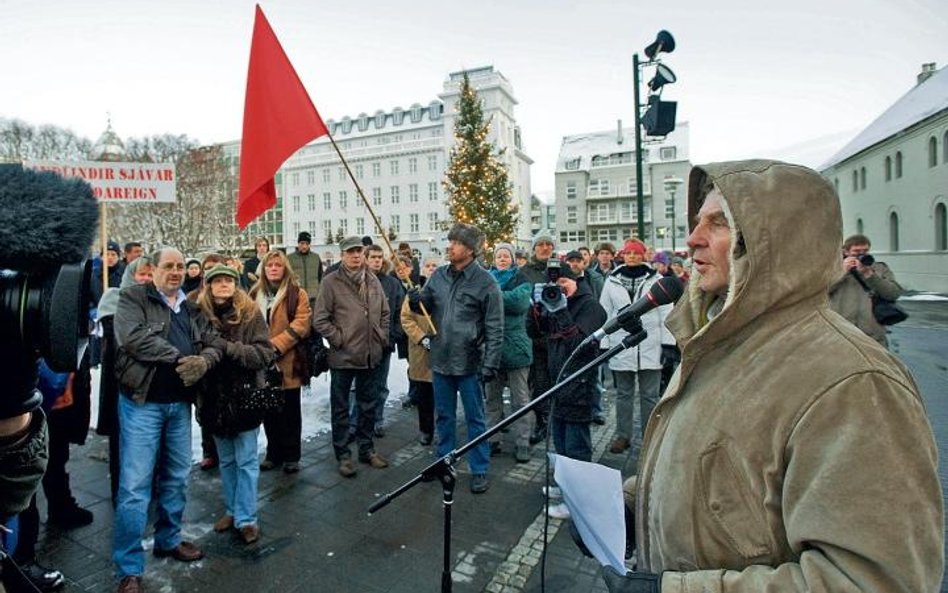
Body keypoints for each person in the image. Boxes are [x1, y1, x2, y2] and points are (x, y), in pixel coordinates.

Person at [599, 160, 942, 593]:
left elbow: (873, 581)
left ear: (775, 242)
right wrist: (632, 506)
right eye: (697, 220)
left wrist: (678, 590)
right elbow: (717, 478)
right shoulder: (715, 342)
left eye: (719, 223)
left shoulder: (856, 383)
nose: (692, 239)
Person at [112, 247, 222, 593]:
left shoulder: (190, 307)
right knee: (135, 486)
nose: (175, 272)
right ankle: (129, 566)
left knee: (176, 476)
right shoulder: (132, 297)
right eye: (168, 266)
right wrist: (180, 356)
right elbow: (133, 339)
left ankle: (169, 539)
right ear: (152, 269)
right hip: (142, 403)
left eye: (179, 266)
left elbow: (213, 342)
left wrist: (204, 361)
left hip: (179, 405)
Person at [407, 223, 502, 494]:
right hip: (441, 359)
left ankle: (479, 468)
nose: (449, 246)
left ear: (470, 250)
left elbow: (495, 327)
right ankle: (444, 460)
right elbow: (425, 303)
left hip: (471, 362)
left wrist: (491, 363)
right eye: (449, 241)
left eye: (455, 242)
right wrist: (416, 299)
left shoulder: (486, 282)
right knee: (444, 416)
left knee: (475, 418)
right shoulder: (438, 275)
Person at [196, 265, 272, 545]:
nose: (224, 285)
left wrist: (230, 348)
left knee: (247, 461)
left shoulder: (251, 313)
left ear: (236, 284)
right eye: (218, 281)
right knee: (226, 460)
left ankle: (247, 518)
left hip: (246, 396)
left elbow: (264, 353)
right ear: (209, 285)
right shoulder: (199, 315)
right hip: (214, 398)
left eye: (229, 280)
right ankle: (232, 509)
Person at [313, 237, 390, 478]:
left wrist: (380, 335)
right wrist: (339, 339)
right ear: (342, 255)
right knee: (341, 408)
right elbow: (320, 319)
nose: (356, 255)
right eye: (350, 252)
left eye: (359, 251)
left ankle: (367, 449)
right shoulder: (331, 282)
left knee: (368, 405)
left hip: (370, 354)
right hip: (343, 356)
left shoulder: (372, 279)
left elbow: (385, 312)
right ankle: (343, 454)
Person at [532, 266, 605, 519]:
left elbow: (578, 346)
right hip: (557, 383)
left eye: (564, 282)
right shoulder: (554, 301)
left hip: (579, 384)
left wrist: (561, 309)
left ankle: (578, 502)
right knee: (560, 443)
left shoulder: (591, 307)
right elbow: (536, 333)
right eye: (555, 284)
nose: (560, 288)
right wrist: (538, 307)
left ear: (576, 281)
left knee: (577, 448)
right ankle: (565, 487)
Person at [96, 256, 154, 506]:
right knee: (123, 443)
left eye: (151, 274)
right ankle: (122, 492)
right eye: (141, 274)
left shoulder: (160, 302)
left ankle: (150, 489)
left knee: (150, 441)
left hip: (150, 385)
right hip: (121, 383)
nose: (146, 279)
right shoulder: (114, 298)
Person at [249, 250, 311, 475]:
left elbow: (302, 323)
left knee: (290, 411)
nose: (273, 268)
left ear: (285, 268)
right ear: (263, 269)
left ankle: (292, 455)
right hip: (262, 364)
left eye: (278, 265)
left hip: (288, 360)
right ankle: (273, 453)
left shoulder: (296, 293)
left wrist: (276, 345)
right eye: (269, 265)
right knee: (269, 411)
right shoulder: (255, 292)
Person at [485, 242, 533, 463]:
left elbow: (520, 302)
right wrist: (503, 297)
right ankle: (491, 439)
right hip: (491, 349)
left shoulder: (521, 279)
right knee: (492, 399)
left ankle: (522, 442)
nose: (502, 259)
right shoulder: (486, 278)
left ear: (513, 259)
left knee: (520, 399)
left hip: (516, 347)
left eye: (506, 256)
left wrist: (494, 298)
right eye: (499, 256)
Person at [351, 245, 405, 438]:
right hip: (360, 343)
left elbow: (400, 312)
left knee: (380, 385)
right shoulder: (356, 280)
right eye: (373, 257)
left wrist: (393, 336)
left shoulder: (392, 283)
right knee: (360, 385)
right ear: (365, 258)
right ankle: (354, 423)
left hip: (383, 343)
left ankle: (377, 420)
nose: (376, 260)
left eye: (380, 257)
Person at [828, 234, 904, 348]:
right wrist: (841, 272)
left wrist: (870, 275)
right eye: (856, 251)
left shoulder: (879, 269)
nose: (861, 255)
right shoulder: (831, 268)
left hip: (873, 335)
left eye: (865, 251)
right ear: (846, 252)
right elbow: (820, 292)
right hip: (841, 333)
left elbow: (893, 294)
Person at [519, 231, 557, 445]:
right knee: (539, 382)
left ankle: (556, 419)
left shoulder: (563, 270)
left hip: (560, 334)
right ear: (534, 248)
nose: (544, 248)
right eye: (540, 244)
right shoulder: (524, 272)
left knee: (559, 379)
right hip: (535, 335)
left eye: (548, 244)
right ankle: (542, 422)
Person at [286, 231, 323, 307]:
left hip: (313, 298)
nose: (304, 246)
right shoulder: (289, 258)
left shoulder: (316, 257)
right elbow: (286, 278)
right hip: (297, 297)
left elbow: (321, 277)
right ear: (298, 243)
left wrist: (319, 292)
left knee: (314, 318)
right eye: (302, 243)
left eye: (307, 244)